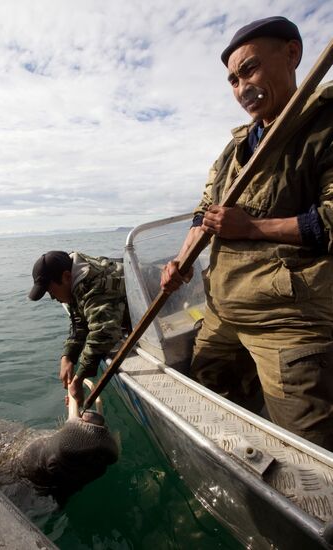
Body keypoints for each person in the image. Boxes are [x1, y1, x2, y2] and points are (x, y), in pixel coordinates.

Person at [161, 16, 333, 450]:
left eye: (250, 70)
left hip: (288, 319)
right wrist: (180, 262)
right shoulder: (233, 150)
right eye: (233, 80)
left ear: (292, 54)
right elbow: (204, 215)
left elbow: (329, 221)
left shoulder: (323, 126)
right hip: (224, 308)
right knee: (208, 392)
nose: (242, 88)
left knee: (309, 449)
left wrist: (252, 227)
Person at [29, 250, 128, 405]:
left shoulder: (96, 284)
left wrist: (79, 378)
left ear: (66, 277)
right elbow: (80, 321)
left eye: (51, 291)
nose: (53, 298)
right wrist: (68, 356)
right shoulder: (76, 280)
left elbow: (104, 332)